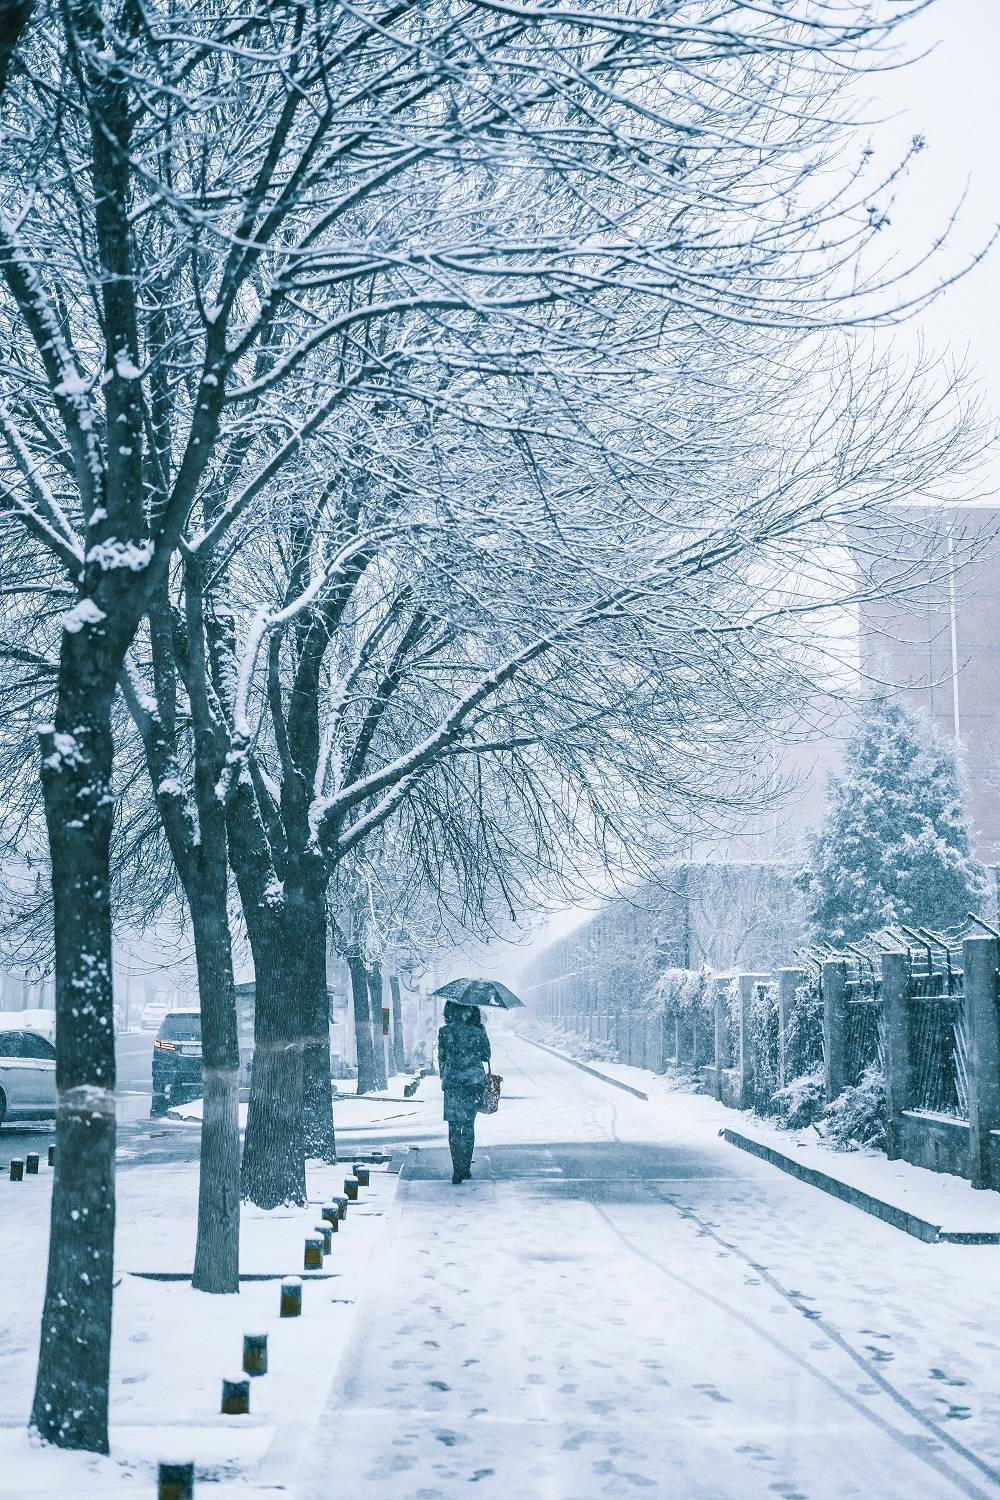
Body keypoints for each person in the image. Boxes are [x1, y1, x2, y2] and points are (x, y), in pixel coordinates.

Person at [437, 1000, 491, 1184]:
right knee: (468, 1125)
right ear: (472, 1010)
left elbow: (441, 1057)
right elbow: (486, 1055)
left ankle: (456, 1169)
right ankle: (465, 1168)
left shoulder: (445, 1032)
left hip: (452, 1084)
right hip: (473, 1084)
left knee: (453, 1127)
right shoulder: (478, 1031)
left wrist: (446, 1073)